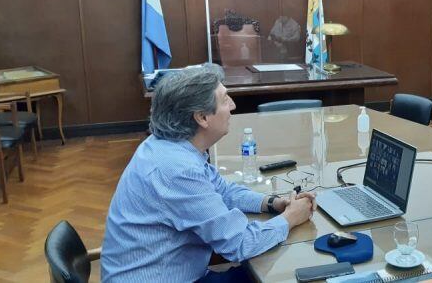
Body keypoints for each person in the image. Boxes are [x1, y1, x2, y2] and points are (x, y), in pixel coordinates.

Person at [101, 64, 317, 282]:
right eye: (224, 100)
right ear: (202, 117)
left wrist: (272, 203)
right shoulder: (177, 170)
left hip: (172, 271)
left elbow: (222, 190)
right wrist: (290, 218)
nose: (232, 105)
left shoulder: (167, 144)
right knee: (289, 274)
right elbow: (240, 243)